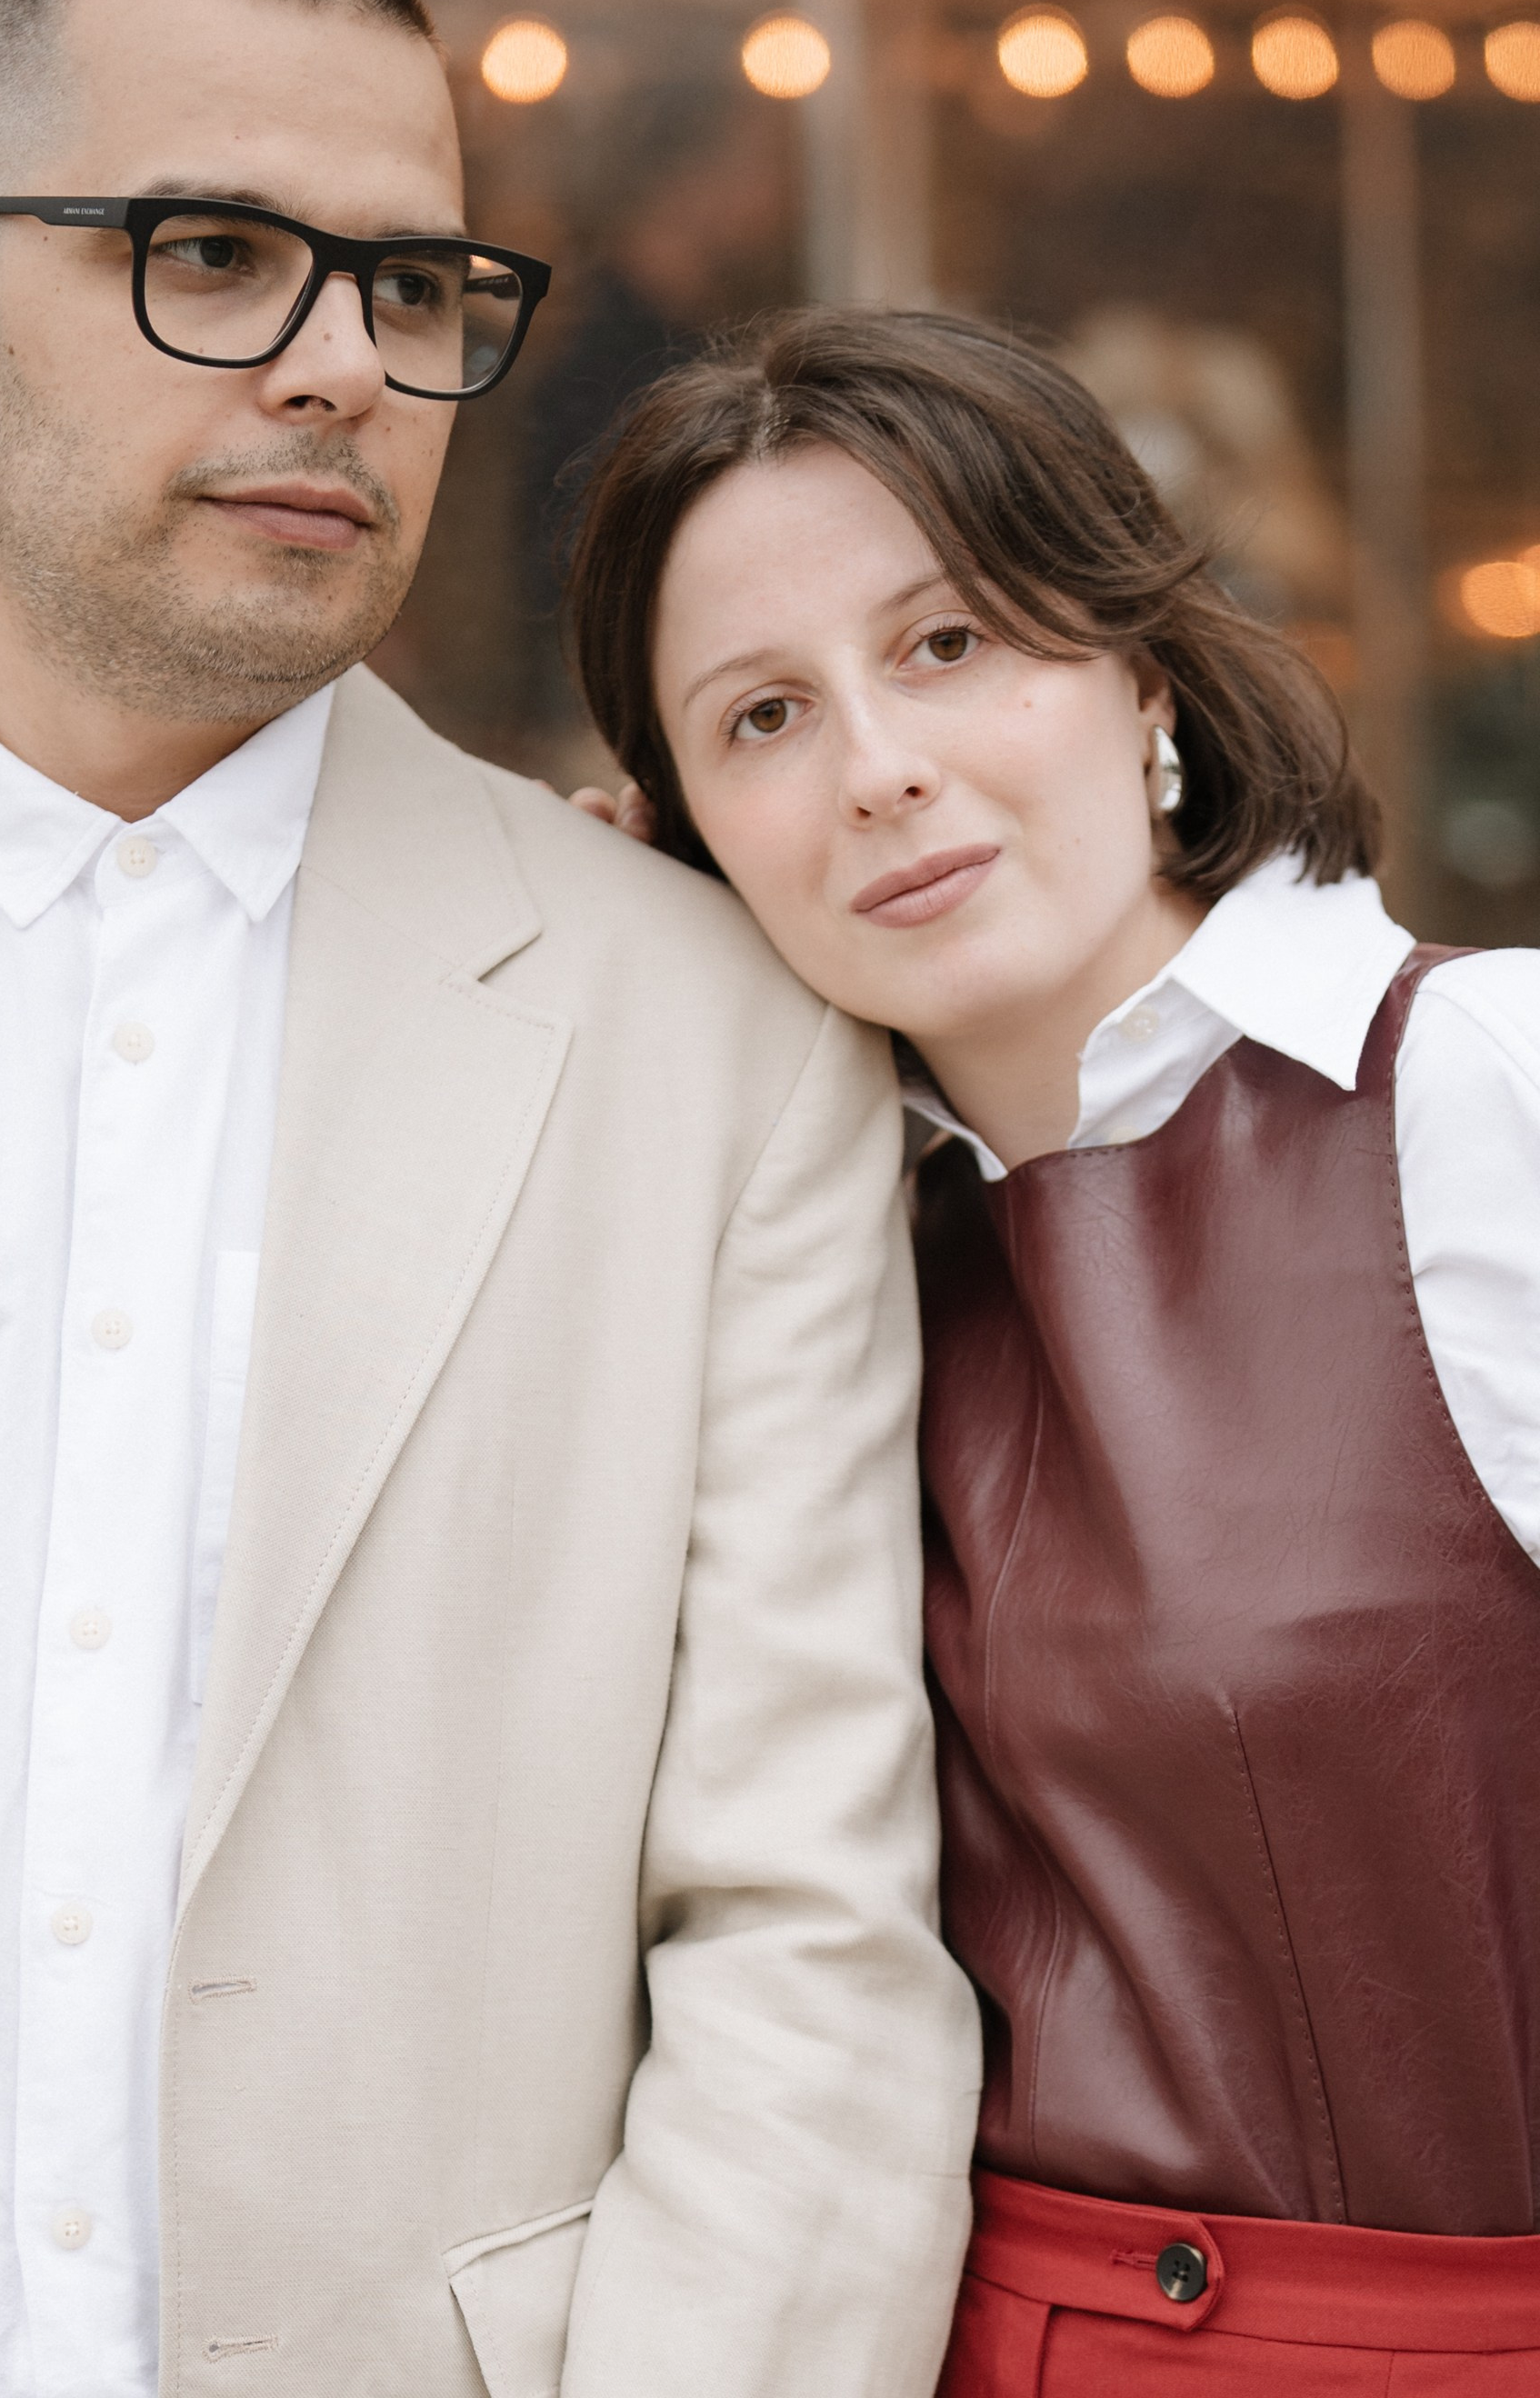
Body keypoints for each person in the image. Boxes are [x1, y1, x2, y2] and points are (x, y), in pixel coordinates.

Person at [0, 0, 982, 2393]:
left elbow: (808, 1952)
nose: (338, 367)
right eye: (212, 254)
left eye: (409, 289)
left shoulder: (718, 1042)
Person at [564, 305, 1540, 2394]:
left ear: (1140, 670)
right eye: (760, 718)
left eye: (946, 643)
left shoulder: (1481, 1088)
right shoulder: (790, 1250)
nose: (877, 767)